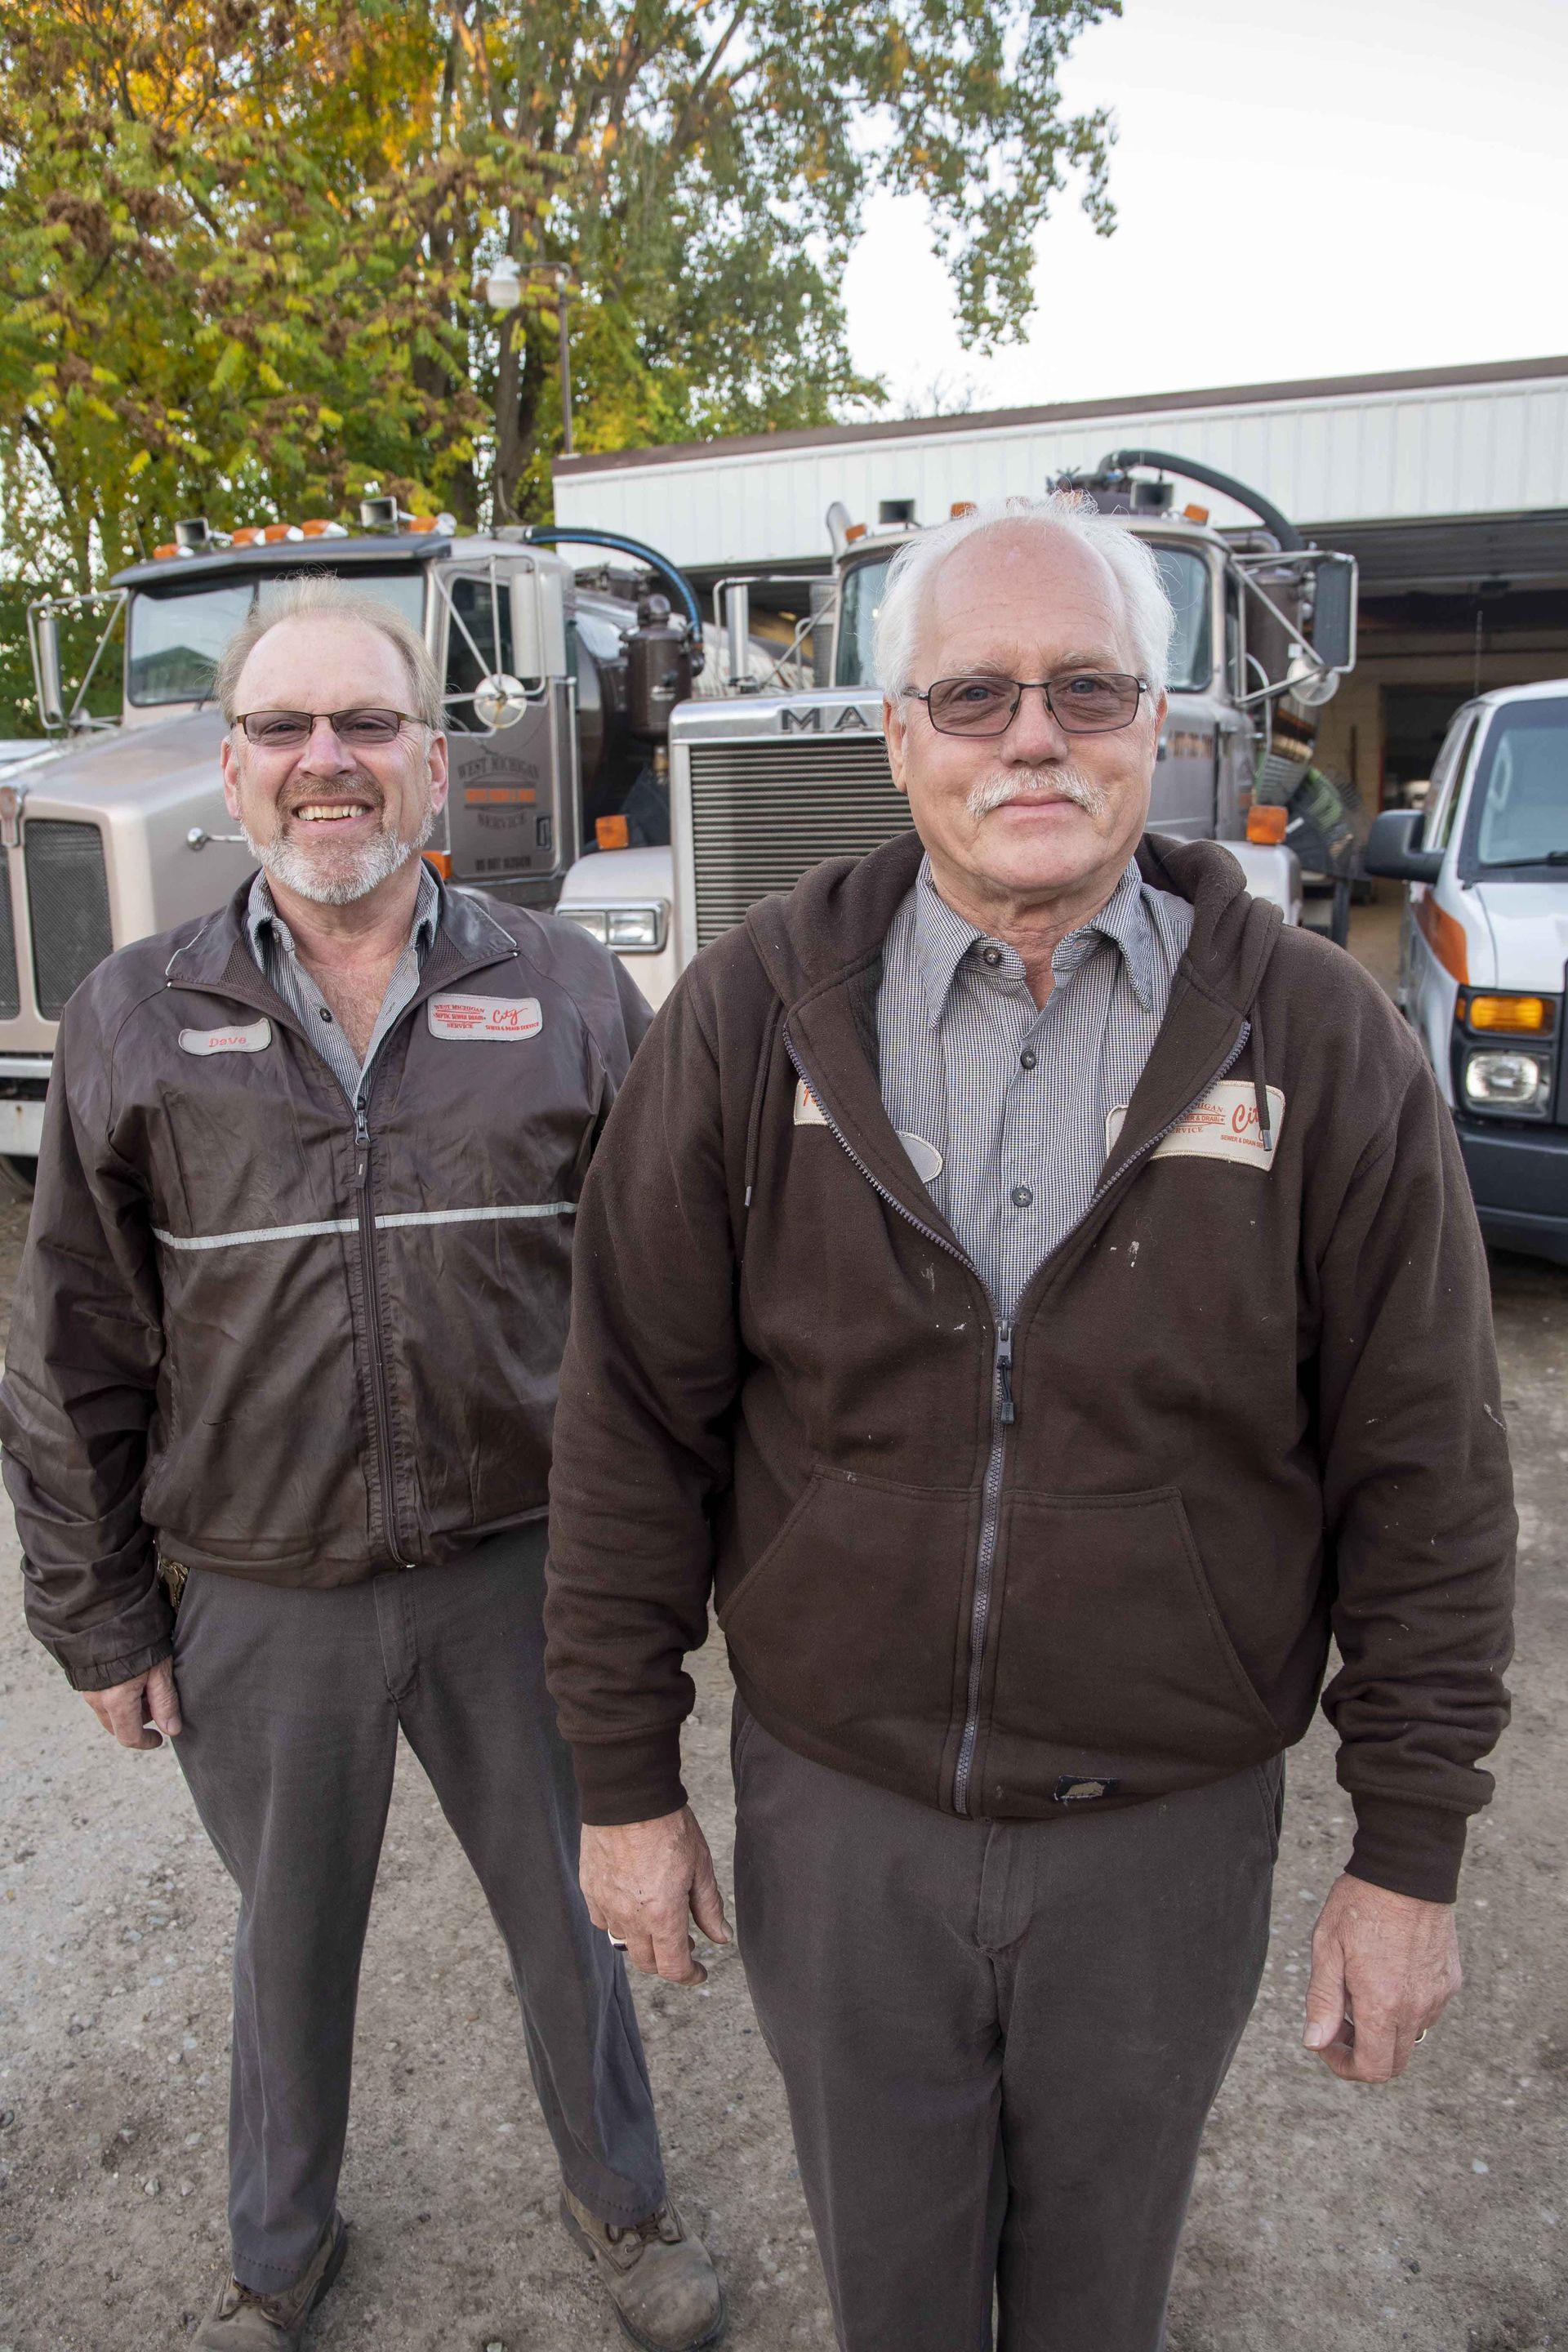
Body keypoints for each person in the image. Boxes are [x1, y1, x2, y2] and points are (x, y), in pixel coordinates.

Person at [543, 497, 1516, 2350]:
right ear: (897, 735)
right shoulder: (754, 1020)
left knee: (1099, 2300)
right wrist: (622, 1778)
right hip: (845, 1823)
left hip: (1164, 1841)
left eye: (1085, 688)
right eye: (974, 694)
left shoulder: (1316, 1044)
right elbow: (627, 1418)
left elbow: (1431, 1476)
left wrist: (1409, 1854)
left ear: (1162, 725)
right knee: (893, 2300)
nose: (1033, 736)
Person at [0, 577, 724, 2352]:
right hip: (258, 1594)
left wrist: (679, 1571)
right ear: (234, 771)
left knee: (580, 1924)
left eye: (366, 725)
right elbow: (72, 1345)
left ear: (431, 759)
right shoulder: (133, 1011)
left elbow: (665, 1313)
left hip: (521, 1579)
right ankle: (278, 2255)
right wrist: (99, 1619)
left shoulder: (561, 988)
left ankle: (623, 2211)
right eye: (283, 730)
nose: (327, 762)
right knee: (286, 1946)